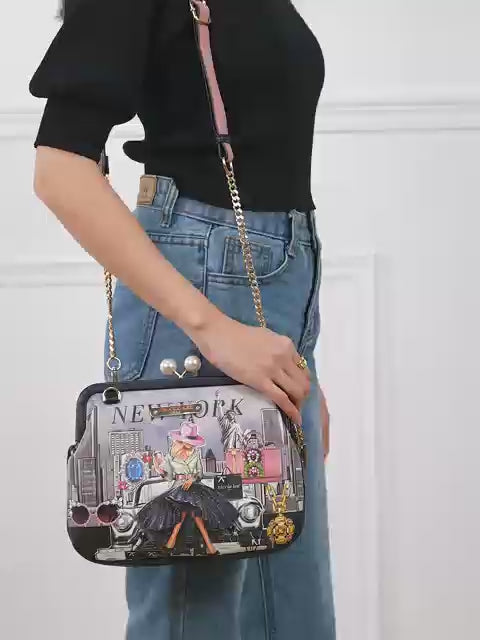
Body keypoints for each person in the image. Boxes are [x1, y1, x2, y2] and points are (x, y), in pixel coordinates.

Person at [29, 0, 336, 638]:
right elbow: (60, 171)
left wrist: (298, 356)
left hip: (272, 310)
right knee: (194, 605)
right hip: (196, 301)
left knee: (289, 603)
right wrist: (214, 328)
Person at [137, 418, 238, 555]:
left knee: (195, 514)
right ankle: (203, 547)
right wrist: (159, 470)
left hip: (194, 487)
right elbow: (169, 476)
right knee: (183, 514)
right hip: (178, 489)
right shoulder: (171, 456)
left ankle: (180, 544)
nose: (192, 445)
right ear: (181, 441)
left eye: (193, 442)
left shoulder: (195, 454)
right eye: (189, 441)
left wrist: (191, 479)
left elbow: (199, 473)